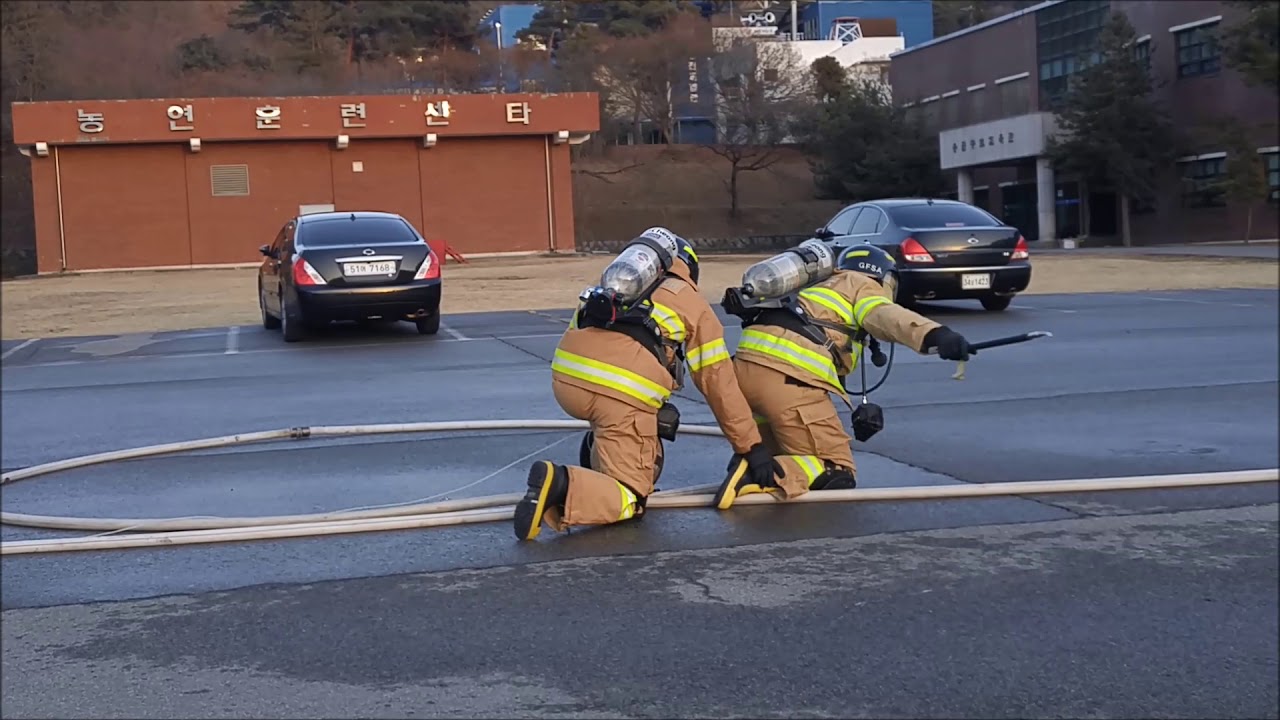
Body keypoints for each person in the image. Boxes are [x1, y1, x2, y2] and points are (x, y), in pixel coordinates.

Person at [515, 227, 780, 541]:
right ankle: (561, 484)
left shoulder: (615, 283)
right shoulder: (691, 302)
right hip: (619, 394)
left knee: (616, 420)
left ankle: (601, 454)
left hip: (565, 383)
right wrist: (751, 447)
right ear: (689, 269)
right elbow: (718, 384)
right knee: (631, 497)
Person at [714, 243, 975, 509]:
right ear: (885, 278)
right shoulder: (861, 284)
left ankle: (756, 462)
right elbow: (886, 316)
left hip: (744, 373)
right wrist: (937, 335)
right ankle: (754, 471)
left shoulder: (811, 287)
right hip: (787, 381)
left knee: (788, 454)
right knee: (835, 469)